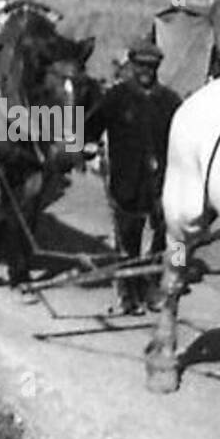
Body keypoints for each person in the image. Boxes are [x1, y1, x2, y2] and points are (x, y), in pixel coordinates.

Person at [83, 39, 183, 314]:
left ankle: (153, 286)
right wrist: (86, 147)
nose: (145, 72)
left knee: (165, 236)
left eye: (151, 67)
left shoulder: (170, 101)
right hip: (126, 180)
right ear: (131, 64)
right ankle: (128, 293)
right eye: (140, 66)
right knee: (128, 239)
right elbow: (89, 127)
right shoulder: (116, 97)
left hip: (163, 182)